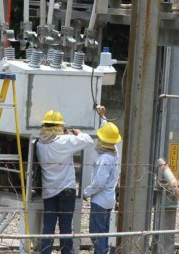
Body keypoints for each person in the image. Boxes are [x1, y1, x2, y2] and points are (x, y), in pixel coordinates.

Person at [36, 109, 93, 254]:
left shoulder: (39, 143)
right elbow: (88, 140)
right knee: (65, 227)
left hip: (49, 190)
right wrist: (77, 132)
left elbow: (52, 140)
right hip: (66, 190)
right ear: (59, 126)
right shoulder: (65, 141)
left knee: (48, 226)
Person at [83, 106, 121, 254]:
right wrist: (103, 117)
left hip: (99, 200)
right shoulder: (114, 151)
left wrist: (86, 193)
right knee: (104, 232)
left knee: (96, 234)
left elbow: (99, 183)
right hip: (109, 199)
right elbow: (108, 133)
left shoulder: (104, 159)